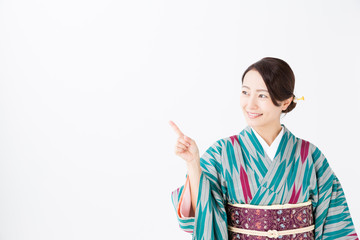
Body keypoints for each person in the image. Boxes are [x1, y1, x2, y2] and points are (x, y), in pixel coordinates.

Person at [169, 57, 358, 240]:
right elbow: (198, 220)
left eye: (262, 95)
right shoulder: (221, 152)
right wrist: (193, 163)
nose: (250, 104)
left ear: (285, 102)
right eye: (245, 92)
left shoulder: (309, 156)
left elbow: (334, 222)